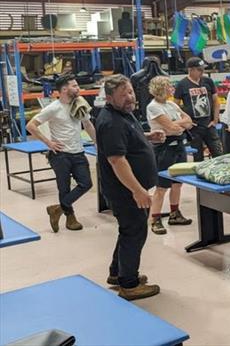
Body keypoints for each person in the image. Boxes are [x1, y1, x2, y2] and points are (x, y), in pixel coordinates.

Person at [96, 75, 164, 300]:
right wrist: (137, 190)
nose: (130, 98)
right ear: (109, 98)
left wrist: (147, 136)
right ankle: (129, 284)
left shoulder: (122, 114)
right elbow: (117, 160)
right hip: (125, 192)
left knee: (128, 231)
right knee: (135, 232)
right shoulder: (111, 121)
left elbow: (127, 138)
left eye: (131, 92)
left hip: (128, 190)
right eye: (123, 94)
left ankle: (117, 273)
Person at [27, 74, 96, 233]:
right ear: (64, 89)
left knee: (86, 184)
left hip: (78, 152)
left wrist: (97, 143)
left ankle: (57, 209)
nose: (78, 88)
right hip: (60, 155)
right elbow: (31, 125)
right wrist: (48, 143)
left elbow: (88, 125)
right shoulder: (53, 108)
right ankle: (70, 218)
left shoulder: (79, 104)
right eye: (75, 86)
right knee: (63, 188)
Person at [145, 76, 194, 235]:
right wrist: (179, 125)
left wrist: (177, 125)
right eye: (169, 86)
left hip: (179, 147)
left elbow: (189, 121)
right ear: (160, 88)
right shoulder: (153, 107)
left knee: (177, 183)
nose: (172, 89)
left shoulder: (171, 104)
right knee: (161, 187)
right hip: (163, 148)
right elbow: (171, 126)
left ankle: (175, 213)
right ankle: (155, 219)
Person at [173, 57, 222, 162]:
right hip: (194, 128)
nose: (202, 72)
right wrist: (185, 122)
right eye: (199, 69)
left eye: (203, 69)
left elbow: (216, 101)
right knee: (198, 157)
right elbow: (174, 107)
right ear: (190, 70)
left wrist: (215, 120)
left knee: (218, 154)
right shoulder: (182, 85)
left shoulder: (208, 81)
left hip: (209, 126)